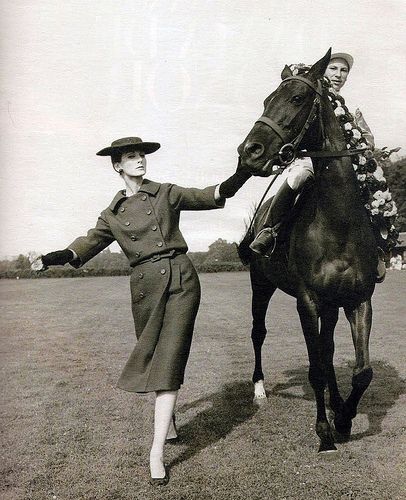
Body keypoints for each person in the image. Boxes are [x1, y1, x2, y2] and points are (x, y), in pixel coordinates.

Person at [31, 136, 251, 486]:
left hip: (180, 279)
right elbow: (85, 246)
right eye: (131, 157)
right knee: (155, 357)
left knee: (169, 359)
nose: (140, 161)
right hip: (145, 288)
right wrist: (53, 257)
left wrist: (243, 172)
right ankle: (171, 424)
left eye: (142, 156)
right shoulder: (112, 213)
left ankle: (156, 453)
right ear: (118, 166)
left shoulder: (166, 192)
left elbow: (212, 194)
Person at [249, 52, 397, 283]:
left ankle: (377, 248)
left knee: (374, 194)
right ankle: (269, 231)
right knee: (297, 177)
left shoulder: (353, 107)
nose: (338, 74)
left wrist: (360, 148)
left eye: (343, 70)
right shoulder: (313, 95)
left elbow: (367, 139)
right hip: (312, 161)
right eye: (333, 69)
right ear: (324, 72)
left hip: (346, 165)